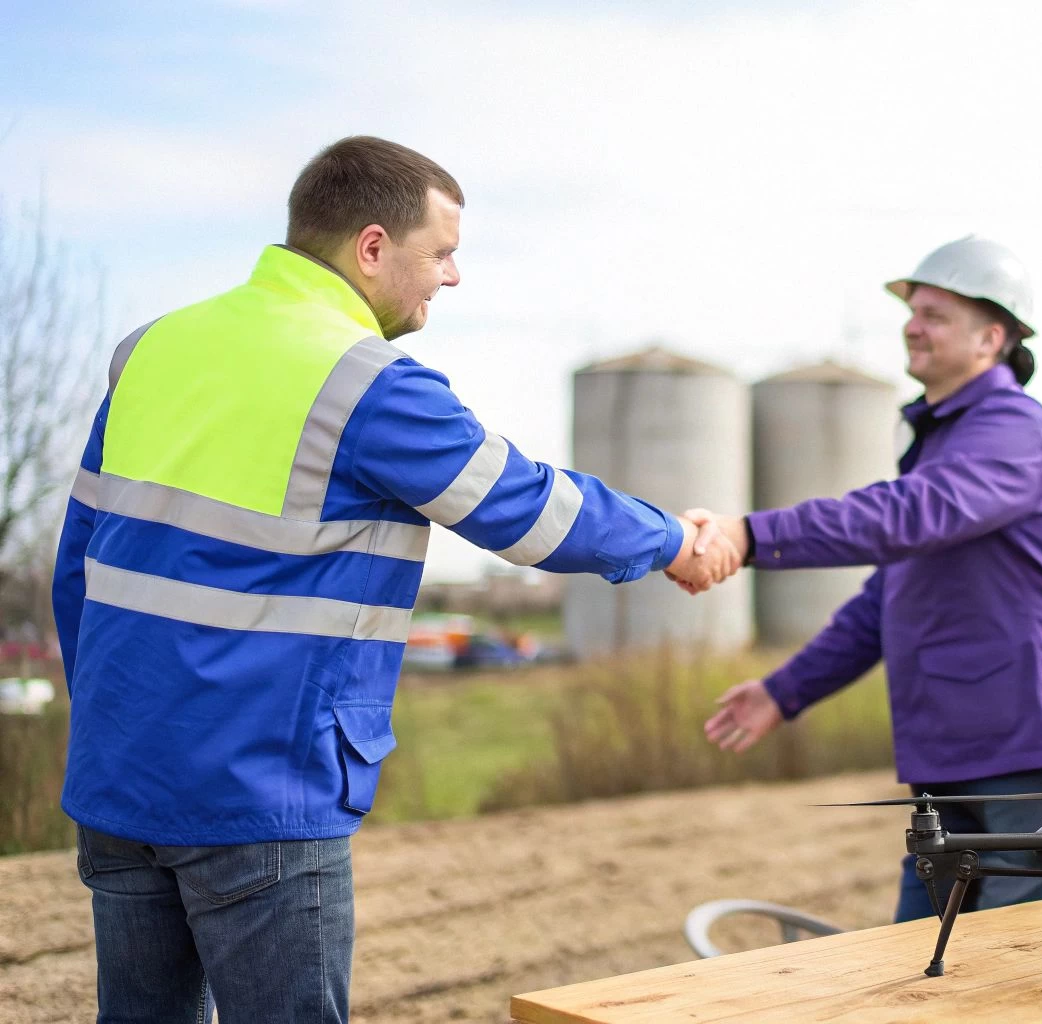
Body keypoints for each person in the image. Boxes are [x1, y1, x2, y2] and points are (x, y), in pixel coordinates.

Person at [51, 136, 740, 1023]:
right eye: (441, 252)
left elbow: (79, 563)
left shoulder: (151, 349)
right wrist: (674, 541)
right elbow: (528, 509)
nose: (452, 276)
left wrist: (110, 723)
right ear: (372, 247)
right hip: (258, 790)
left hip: (117, 776)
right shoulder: (363, 383)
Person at [697, 236, 1042, 922]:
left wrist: (750, 534)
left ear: (991, 338)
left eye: (935, 315)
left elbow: (910, 513)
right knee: (918, 952)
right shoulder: (942, 442)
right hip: (948, 747)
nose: (913, 326)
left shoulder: (1012, 427)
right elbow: (888, 598)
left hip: (1027, 740)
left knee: (1014, 955)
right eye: (913, 311)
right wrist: (784, 690)